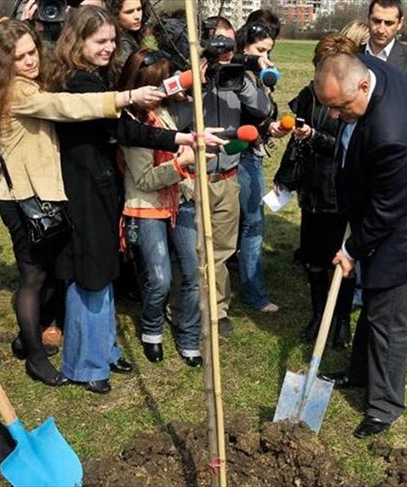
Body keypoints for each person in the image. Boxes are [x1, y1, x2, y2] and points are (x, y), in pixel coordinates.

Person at [0, 19, 160, 387]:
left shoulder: (29, 81)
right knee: (34, 277)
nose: (31, 61)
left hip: (42, 195)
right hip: (23, 200)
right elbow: (65, 106)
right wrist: (126, 98)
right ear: (5, 64)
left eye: (33, 50)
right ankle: (35, 355)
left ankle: (27, 336)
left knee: (49, 273)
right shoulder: (16, 91)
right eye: (19, 58)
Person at [315, 53, 407, 438]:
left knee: (389, 318)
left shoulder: (395, 134)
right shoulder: (364, 66)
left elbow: (387, 211)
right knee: (372, 301)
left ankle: (384, 406)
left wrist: (352, 249)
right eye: (329, 107)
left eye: (340, 107)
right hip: (381, 209)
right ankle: (359, 373)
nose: (335, 117)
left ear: (364, 86)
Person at [49, 6, 164, 393]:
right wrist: (177, 139)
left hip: (99, 184)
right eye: (101, 41)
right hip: (82, 188)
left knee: (103, 269)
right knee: (90, 274)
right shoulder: (77, 84)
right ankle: (85, 363)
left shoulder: (93, 77)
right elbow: (126, 131)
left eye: (113, 40)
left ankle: (105, 348)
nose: (110, 47)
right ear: (78, 41)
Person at [118, 49, 224, 367]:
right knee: (160, 278)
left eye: (165, 85)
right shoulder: (128, 123)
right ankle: (152, 331)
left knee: (194, 272)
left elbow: (187, 109)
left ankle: (189, 336)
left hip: (180, 201)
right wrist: (183, 164)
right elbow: (146, 179)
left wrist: (198, 77)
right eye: (156, 85)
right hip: (146, 207)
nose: (161, 92)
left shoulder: (164, 110)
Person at [273, 35, 359, 350]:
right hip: (312, 191)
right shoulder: (309, 95)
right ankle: (318, 314)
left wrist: (315, 137)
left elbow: (347, 147)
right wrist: (285, 175)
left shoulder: (352, 100)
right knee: (314, 260)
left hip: (340, 190)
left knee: (342, 259)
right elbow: (297, 138)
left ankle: (342, 322)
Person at [201, 16, 273, 336]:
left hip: (228, 174)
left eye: (230, 44)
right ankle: (188, 309)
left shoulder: (237, 74)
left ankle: (218, 309)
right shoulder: (191, 73)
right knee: (192, 252)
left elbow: (262, 110)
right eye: (219, 44)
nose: (226, 51)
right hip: (194, 177)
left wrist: (244, 77)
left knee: (222, 250)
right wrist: (197, 79)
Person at [233, 20, 279, 314]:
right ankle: (254, 292)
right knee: (253, 223)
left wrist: (268, 127)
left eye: (269, 52)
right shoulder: (237, 72)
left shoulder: (255, 73)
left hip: (251, 150)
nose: (266, 58)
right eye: (260, 50)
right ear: (244, 46)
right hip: (239, 153)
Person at [361, 0, 407, 111]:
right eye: (376, 21)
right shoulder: (352, 56)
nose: (381, 29)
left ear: (400, 23)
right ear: (368, 19)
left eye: (389, 23)